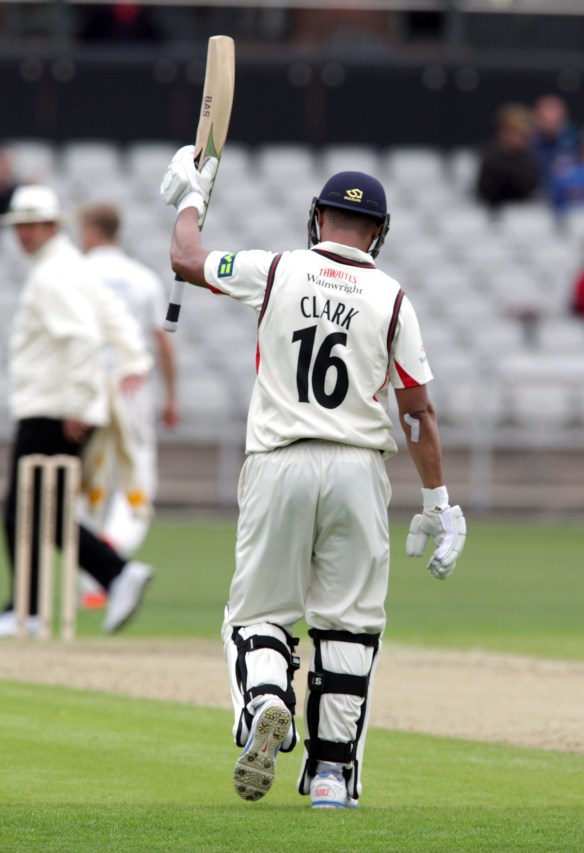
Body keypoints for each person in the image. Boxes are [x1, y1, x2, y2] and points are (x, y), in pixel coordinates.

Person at [160, 147, 467, 809]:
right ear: (379, 233)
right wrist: (439, 501)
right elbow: (417, 412)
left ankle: (268, 700)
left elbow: (187, 257)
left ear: (317, 217)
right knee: (349, 627)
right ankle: (331, 776)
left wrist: (192, 193)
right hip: (359, 470)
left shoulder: (277, 269)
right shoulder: (394, 300)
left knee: (260, 615)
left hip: (280, 461)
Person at [0, 185, 154, 637]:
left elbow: (84, 339)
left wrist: (76, 404)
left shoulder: (55, 274)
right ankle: (110, 575)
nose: (24, 235)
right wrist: (133, 359)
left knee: (23, 509)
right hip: (60, 403)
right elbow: (113, 318)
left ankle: (30, 609)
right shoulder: (71, 265)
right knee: (39, 509)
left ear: (53, 226)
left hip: (54, 406)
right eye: (19, 226)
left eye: (33, 225)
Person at [75, 203, 179, 608]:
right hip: (133, 388)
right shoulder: (143, 278)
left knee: (87, 485)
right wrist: (172, 396)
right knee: (137, 481)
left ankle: (92, 585)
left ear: (90, 232)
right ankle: (114, 546)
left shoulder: (76, 273)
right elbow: (163, 345)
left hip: (86, 389)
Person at [476, 103, 541, 211]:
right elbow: (486, 191)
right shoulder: (488, 156)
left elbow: (528, 188)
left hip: (523, 213)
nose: (522, 138)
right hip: (491, 213)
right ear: (503, 132)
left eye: (524, 134)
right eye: (517, 133)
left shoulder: (530, 159)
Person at [531, 95, 581, 199]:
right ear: (537, 118)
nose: (551, 124)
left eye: (555, 120)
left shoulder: (574, 140)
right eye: (546, 120)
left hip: (571, 198)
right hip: (536, 198)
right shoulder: (528, 142)